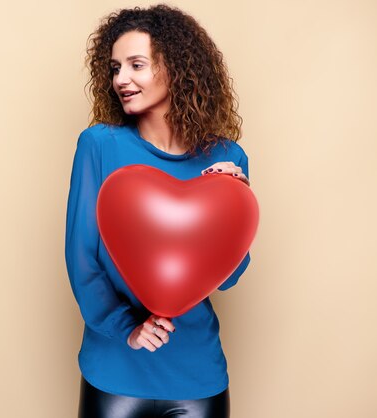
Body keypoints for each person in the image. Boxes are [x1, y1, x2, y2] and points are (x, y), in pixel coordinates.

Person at [64, 4, 252, 418]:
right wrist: (125, 328)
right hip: (114, 371)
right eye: (115, 68)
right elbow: (82, 257)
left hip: (197, 376)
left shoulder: (227, 156)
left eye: (136, 65)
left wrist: (236, 199)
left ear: (177, 68)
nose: (121, 79)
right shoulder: (99, 145)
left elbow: (230, 277)